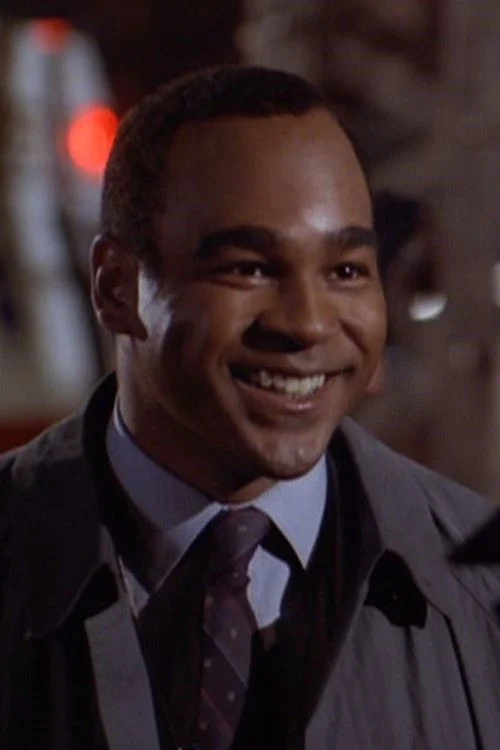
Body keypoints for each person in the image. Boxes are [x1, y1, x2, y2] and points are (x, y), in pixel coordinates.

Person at [1, 65, 500, 750]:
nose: (309, 323)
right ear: (117, 288)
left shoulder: (481, 591)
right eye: (249, 268)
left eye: (346, 271)